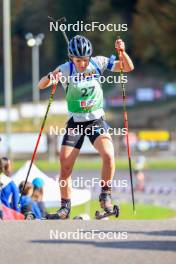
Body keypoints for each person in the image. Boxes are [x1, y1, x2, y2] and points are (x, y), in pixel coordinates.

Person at [38, 35, 134, 219]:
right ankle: (65, 207)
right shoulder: (65, 69)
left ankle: (105, 196)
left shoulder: (98, 63)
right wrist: (51, 77)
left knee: (108, 155)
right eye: (78, 60)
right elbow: (41, 85)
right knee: (65, 165)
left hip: (96, 121)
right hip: (75, 123)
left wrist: (122, 52)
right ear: (71, 58)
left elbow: (127, 67)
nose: (82, 63)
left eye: (85, 59)